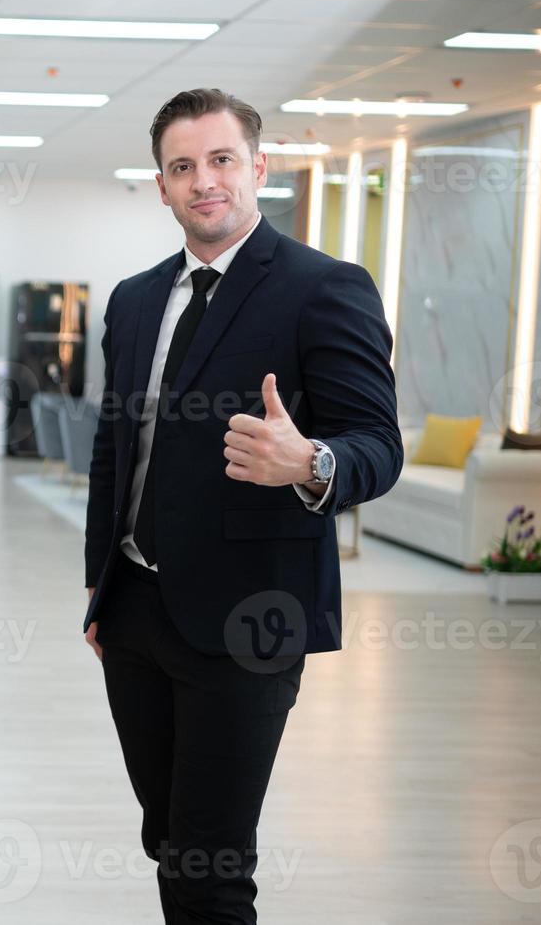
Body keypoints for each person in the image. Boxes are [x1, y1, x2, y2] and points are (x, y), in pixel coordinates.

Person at [83, 88, 403, 923]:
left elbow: (377, 443)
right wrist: (99, 590)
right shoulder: (133, 299)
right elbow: (114, 453)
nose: (203, 181)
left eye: (221, 160)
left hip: (250, 619)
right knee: (168, 839)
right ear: (160, 186)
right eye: (181, 167)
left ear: (257, 168)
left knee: (210, 865)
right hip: (135, 613)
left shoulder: (322, 288)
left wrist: (310, 461)